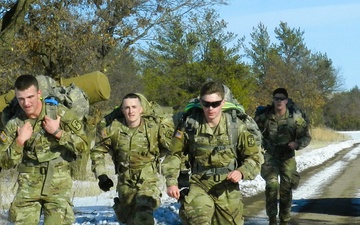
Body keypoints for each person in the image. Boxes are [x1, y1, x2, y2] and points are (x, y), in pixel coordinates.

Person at [162, 81, 264, 225]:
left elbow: (254, 157)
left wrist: (241, 172)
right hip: (199, 184)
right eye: (206, 104)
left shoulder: (236, 127)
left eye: (215, 104)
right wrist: (171, 182)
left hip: (227, 187)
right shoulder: (190, 126)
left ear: (223, 102)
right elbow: (174, 154)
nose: (210, 108)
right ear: (201, 102)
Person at [0, 74, 88, 225]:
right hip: (28, 187)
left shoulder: (58, 113)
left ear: (39, 94)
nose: (26, 103)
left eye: (30, 97)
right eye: (21, 99)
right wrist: (19, 142)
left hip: (58, 185)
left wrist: (58, 133)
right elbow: (4, 162)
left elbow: (83, 146)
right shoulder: (15, 123)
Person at [90, 93, 174, 225]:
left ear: (141, 109)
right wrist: (102, 175)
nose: (131, 111)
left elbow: (174, 149)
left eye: (134, 107)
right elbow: (97, 152)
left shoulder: (153, 128)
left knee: (143, 216)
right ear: (122, 110)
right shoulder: (113, 129)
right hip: (125, 182)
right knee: (128, 219)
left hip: (148, 180)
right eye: (127, 108)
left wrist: (173, 177)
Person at [254, 88, 311, 225]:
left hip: (287, 157)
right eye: (276, 98)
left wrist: (297, 144)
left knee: (286, 189)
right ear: (273, 100)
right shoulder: (265, 116)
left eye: (281, 99)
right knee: (272, 186)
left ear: (286, 100)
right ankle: (272, 220)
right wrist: (259, 145)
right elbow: (253, 131)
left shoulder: (295, 118)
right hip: (270, 156)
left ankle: (284, 220)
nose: (279, 101)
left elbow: (306, 136)